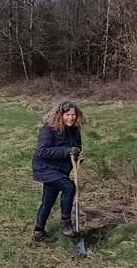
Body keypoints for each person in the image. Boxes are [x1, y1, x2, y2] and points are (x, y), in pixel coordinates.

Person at [31, 99, 86, 242]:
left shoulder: (75, 131)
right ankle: (66, 223)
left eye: (73, 115)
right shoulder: (49, 129)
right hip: (45, 168)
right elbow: (43, 151)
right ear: (60, 115)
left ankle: (38, 232)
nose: (71, 118)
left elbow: (76, 149)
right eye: (67, 114)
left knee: (48, 201)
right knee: (69, 187)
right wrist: (67, 151)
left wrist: (78, 155)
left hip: (61, 169)